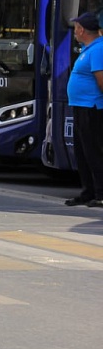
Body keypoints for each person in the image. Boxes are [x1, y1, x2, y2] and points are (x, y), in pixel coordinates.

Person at [65, 11, 103, 207]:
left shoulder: (98, 49)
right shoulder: (88, 49)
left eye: (76, 28)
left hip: (92, 108)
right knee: (82, 153)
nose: (74, 31)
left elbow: (101, 80)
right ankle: (88, 192)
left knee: (94, 152)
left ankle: (100, 194)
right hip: (81, 107)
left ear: (81, 30)